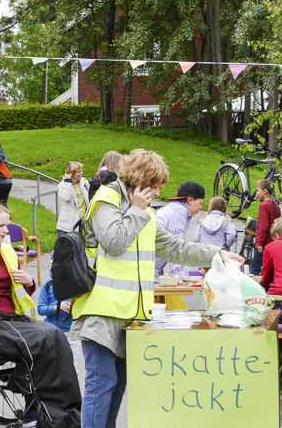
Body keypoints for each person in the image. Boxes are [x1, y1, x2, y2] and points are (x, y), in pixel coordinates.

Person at [70, 149, 242, 428]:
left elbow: (174, 248)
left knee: (116, 387)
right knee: (102, 386)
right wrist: (137, 209)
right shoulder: (106, 200)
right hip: (100, 312)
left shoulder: (146, 211)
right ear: (140, 180)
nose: (159, 191)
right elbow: (114, 241)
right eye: (156, 185)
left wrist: (216, 253)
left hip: (131, 315)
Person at [0, 203, 81, 424]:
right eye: (1, 225)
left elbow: (18, 291)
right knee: (43, 340)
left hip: (11, 318)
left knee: (56, 336)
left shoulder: (6, 251)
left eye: (7, 226)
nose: (6, 231)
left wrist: (29, 282)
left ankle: (65, 411)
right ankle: (39, 411)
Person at [154, 181, 205, 278]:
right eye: (200, 203)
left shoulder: (172, 208)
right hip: (150, 268)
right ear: (190, 200)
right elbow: (175, 245)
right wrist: (176, 275)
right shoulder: (179, 212)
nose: (200, 207)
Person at [37, 277, 81, 371]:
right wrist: (56, 307)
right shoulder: (48, 285)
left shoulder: (78, 284)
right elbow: (41, 309)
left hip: (72, 334)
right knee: (52, 368)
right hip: (52, 333)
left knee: (72, 369)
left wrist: (75, 307)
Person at [252, 179, 282, 275]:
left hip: (263, 244)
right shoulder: (276, 206)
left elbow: (263, 226)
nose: (256, 193)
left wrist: (260, 243)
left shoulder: (264, 206)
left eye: (258, 190)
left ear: (265, 191)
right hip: (272, 244)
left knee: (255, 271)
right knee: (269, 272)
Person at [261, 215, 282, 303]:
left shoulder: (272, 247)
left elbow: (267, 278)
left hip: (281, 294)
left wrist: (260, 290)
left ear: (276, 235)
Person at [57, 161, 89, 238]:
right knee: (64, 248)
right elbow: (66, 197)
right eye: (78, 172)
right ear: (71, 173)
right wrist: (68, 182)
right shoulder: (63, 185)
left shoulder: (84, 183)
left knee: (78, 248)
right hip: (66, 225)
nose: (81, 173)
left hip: (82, 223)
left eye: (81, 171)